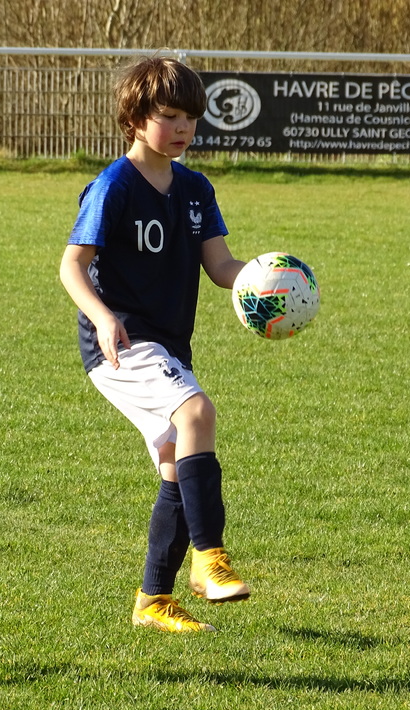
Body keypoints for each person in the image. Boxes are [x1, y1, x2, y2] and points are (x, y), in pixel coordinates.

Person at [59, 56, 250, 633]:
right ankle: (209, 558)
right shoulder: (113, 185)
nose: (183, 127)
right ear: (135, 120)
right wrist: (101, 317)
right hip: (121, 342)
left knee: (175, 466)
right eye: (169, 116)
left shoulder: (195, 188)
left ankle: (153, 602)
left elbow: (220, 266)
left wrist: (264, 278)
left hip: (167, 347)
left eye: (190, 117)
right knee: (197, 413)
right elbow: (72, 265)